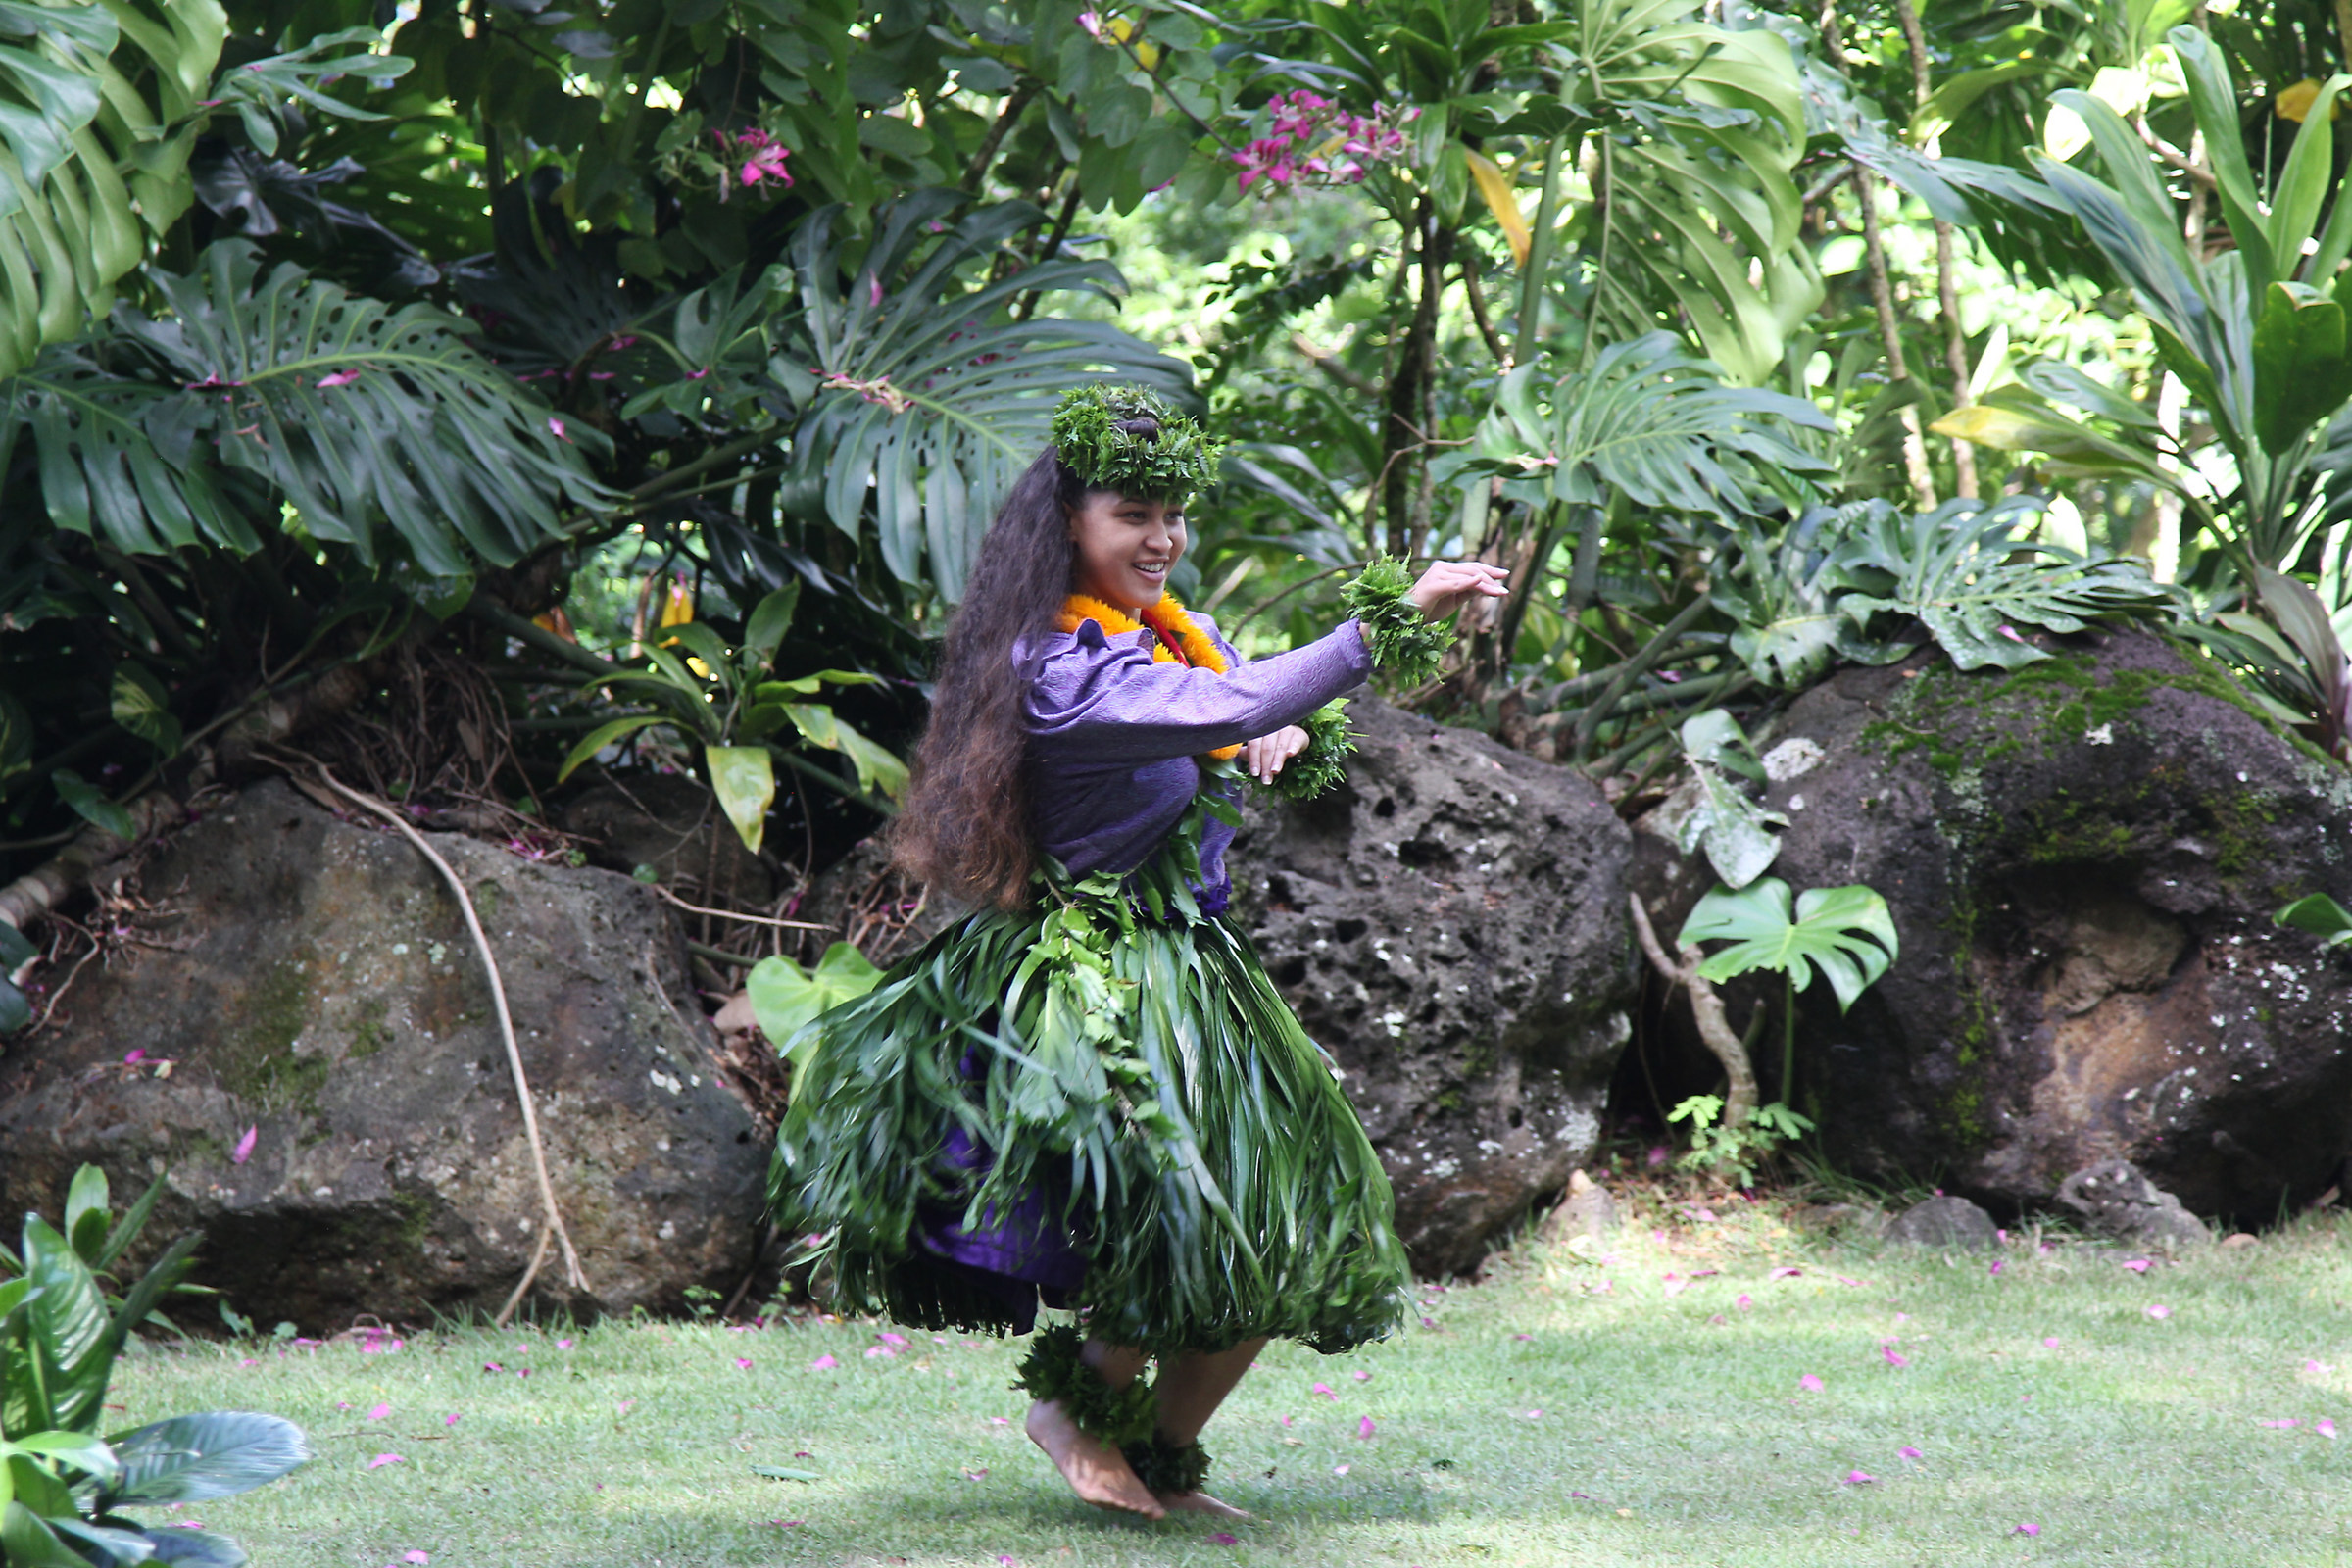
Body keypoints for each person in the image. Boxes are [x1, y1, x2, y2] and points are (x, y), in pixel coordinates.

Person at [768, 385, 1508, 1521]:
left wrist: (1278, 728)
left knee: (1279, 1217)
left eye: (1174, 514)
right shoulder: (1064, 668)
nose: (1162, 538)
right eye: (1134, 514)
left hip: (1193, 966)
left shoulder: (1160, 637)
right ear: (1070, 523)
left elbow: (1239, 702)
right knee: (1183, 1211)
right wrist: (1385, 622)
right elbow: (1227, 700)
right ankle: (1072, 1410)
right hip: (1092, 983)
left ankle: (1160, 1453)